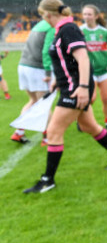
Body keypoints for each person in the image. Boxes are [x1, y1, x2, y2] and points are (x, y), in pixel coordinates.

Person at [23, 0, 107, 194]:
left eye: (42, 15)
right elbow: (65, 61)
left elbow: (83, 59)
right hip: (69, 86)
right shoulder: (62, 30)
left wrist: (81, 87)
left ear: (47, 13)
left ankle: (47, 180)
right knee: (89, 126)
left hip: (75, 89)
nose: (42, 18)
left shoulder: (68, 29)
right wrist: (57, 80)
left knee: (54, 132)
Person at [12, 13, 55, 145]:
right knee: (44, 104)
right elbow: (46, 51)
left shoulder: (38, 26)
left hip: (24, 66)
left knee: (33, 101)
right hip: (38, 69)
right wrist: (48, 72)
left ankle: (19, 132)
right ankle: (48, 137)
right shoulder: (51, 28)